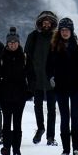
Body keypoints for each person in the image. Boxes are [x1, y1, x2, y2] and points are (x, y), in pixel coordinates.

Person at [45, 17, 78, 155]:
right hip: (60, 86)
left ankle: (76, 147)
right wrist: (51, 78)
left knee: (75, 116)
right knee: (64, 117)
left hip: (76, 86)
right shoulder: (53, 46)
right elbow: (48, 66)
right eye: (62, 30)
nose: (65, 32)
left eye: (67, 30)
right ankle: (66, 149)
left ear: (71, 31)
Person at [24, 9, 59, 145]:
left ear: (52, 24)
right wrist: (28, 74)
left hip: (52, 77)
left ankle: (50, 136)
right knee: (37, 106)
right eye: (44, 22)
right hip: (36, 76)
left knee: (52, 108)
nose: (46, 25)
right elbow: (27, 55)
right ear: (40, 23)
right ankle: (40, 128)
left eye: (49, 22)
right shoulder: (33, 36)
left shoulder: (56, 37)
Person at [0, 27, 31, 155]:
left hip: (20, 94)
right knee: (6, 122)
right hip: (5, 94)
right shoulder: (1, 57)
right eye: (10, 42)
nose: (12, 44)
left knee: (17, 122)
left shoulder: (25, 57)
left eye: (15, 42)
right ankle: (6, 147)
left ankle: (16, 149)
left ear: (18, 43)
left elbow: (31, 75)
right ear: (7, 43)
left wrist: (29, 91)